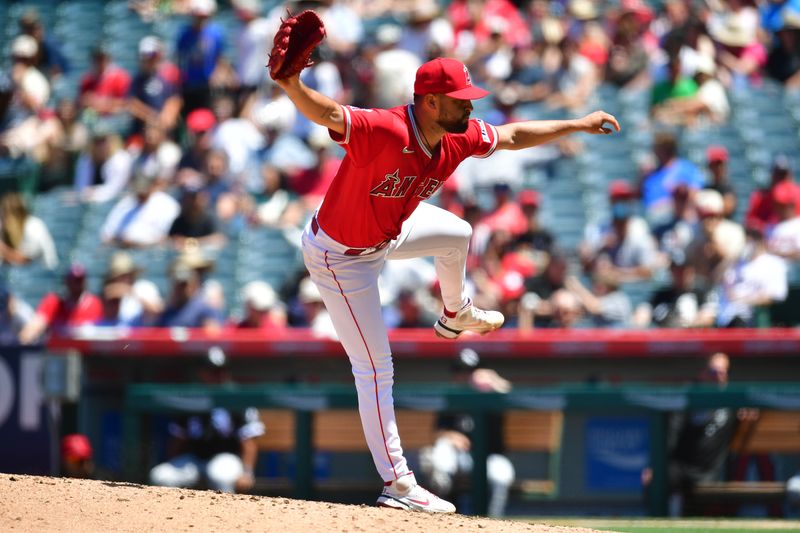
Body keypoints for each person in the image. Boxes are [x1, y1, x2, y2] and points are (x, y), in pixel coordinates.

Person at [275, 54, 619, 512]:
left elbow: (514, 135)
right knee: (375, 368)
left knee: (458, 234)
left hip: (387, 232)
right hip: (340, 257)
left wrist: (576, 123)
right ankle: (398, 484)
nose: (470, 109)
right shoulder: (388, 128)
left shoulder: (456, 137)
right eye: (461, 101)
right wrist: (291, 83)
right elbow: (331, 114)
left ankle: (455, 313)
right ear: (432, 102)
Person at [642, 353, 750, 517]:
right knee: (656, 479)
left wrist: (748, 412)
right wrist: (655, 467)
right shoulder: (688, 399)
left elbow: (750, 408)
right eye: (713, 372)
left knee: (696, 504)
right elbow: (671, 436)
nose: (718, 377)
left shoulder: (733, 402)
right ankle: (657, 519)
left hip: (710, 470)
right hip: (682, 467)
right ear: (703, 373)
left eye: (723, 372)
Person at [149, 349, 265, 493]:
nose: (218, 376)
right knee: (161, 476)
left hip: (226, 457)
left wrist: (247, 473)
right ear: (202, 373)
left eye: (221, 371)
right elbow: (178, 439)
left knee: (219, 476)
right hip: (195, 458)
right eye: (212, 371)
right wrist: (173, 462)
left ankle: (224, 515)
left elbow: (248, 442)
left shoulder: (237, 398)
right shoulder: (190, 398)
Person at [419, 349, 515, 517]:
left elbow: (512, 396)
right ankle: (441, 517)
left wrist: (493, 380)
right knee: (440, 452)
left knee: (502, 476)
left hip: (489, 457)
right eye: (460, 372)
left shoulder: (492, 396)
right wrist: (450, 436)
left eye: (470, 372)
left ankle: (492, 523)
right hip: (459, 458)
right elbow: (437, 433)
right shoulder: (451, 398)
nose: (464, 376)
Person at [18, 263, 103, 344]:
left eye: (79, 280)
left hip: (86, 355)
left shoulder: (95, 304)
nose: (76, 284)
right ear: (67, 281)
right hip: (58, 354)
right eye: (73, 280)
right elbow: (34, 327)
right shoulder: (53, 303)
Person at [0, 191, 58, 270]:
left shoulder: (33, 226)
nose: (4, 219)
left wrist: (3, 249)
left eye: (5, 214)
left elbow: (26, 260)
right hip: (18, 275)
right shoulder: (5, 227)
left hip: (41, 274)